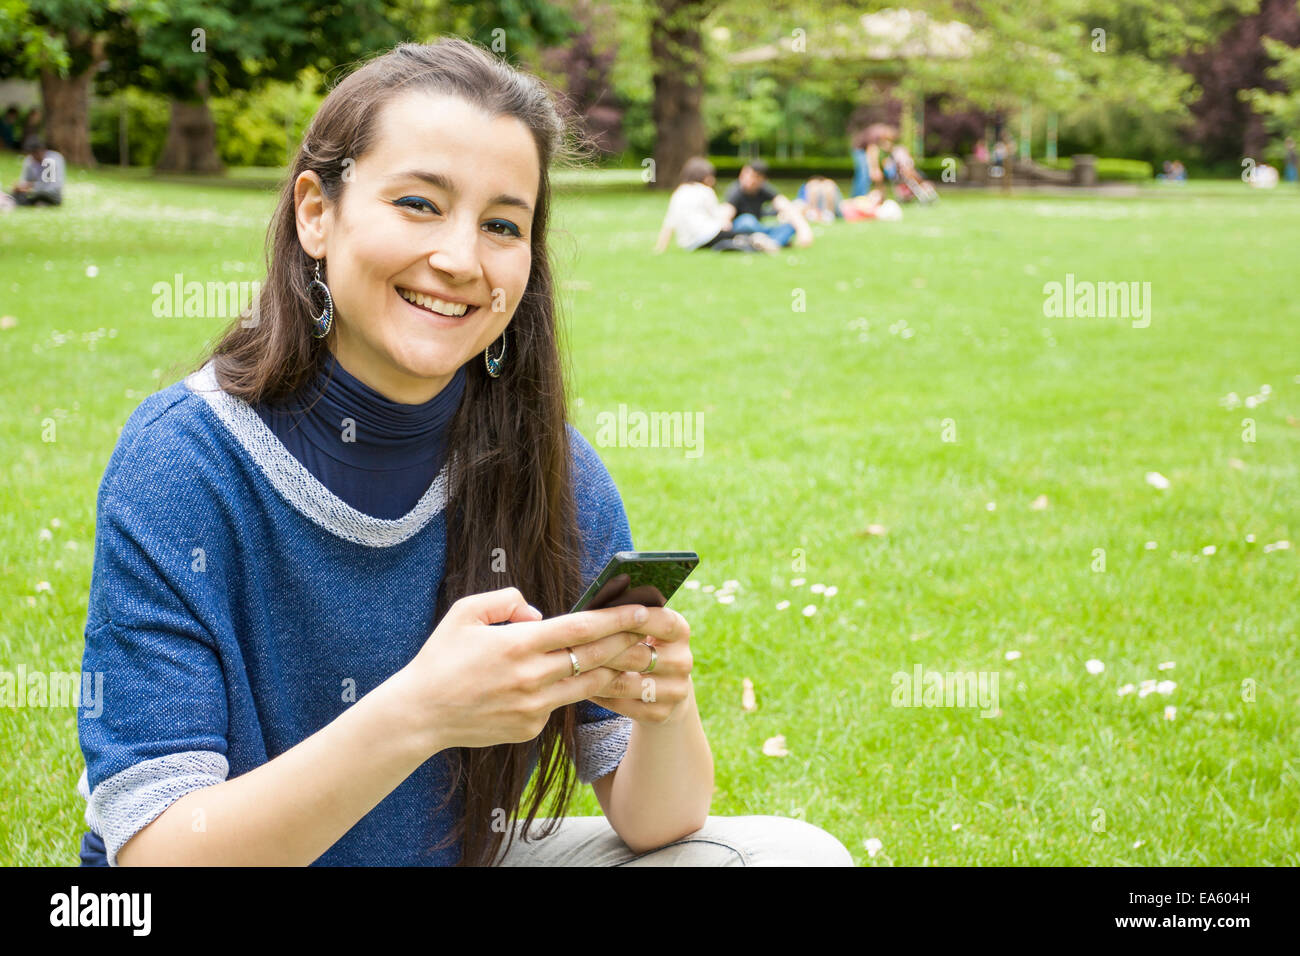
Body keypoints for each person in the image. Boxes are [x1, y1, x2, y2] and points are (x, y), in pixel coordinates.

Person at [74, 38, 855, 868]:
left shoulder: (552, 468)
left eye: (501, 225)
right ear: (316, 212)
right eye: (418, 203)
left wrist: (661, 704)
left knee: (793, 856)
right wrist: (420, 713)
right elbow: (157, 856)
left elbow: (656, 822)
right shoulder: (184, 461)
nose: (460, 260)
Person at [653, 157, 778, 253]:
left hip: (689, 244)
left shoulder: (678, 192)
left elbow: (669, 222)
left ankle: (734, 244)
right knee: (741, 235)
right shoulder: (705, 191)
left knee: (728, 238)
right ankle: (752, 242)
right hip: (709, 234)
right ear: (706, 177)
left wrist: (660, 247)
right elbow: (717, 216)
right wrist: (726, 223)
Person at [722, 159, 814, 248]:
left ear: (762, 179)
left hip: (758, 230)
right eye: (745, 174)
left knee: (789, 226)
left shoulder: (764, 189)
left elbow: (785, 206)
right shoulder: (735, 190)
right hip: (739, 229)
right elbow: (727, 212)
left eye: (753, 176)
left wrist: (803, 229)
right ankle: (768, 242)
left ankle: (770, 243)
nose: (747, 179)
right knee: (747, 221)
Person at [9, 135, 65, 206]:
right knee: (14, 195)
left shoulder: (53, 160)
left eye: (35, 153)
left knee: (42, 196)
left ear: (42, 150)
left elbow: (51, 186)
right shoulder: (30, 160)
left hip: (51, 194)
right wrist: (20, 186)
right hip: (34, 193)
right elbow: (25, 180)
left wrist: (31, 186)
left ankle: (38, 203)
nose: (34, 157)